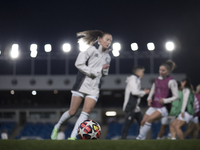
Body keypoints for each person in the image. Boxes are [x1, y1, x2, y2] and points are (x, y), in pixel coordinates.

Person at [51, 30, 112, 140]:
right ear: (99, 40)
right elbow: (78, 64)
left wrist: (104, 70)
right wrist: (97, 69)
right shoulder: (91, 50)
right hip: (82, 84)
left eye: (110, 41)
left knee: (86, 112)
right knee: (72, 112)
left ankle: (72, 138)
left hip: (94, 88)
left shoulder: (108, 57)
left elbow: (103, 75)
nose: (109, 42)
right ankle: (57, 126)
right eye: (107, 39)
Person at [136, 60, 179, 140]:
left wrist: (165, 100)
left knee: (149, 119)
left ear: (168, 71)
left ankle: (139, 138)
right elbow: (152, 91)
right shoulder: (156, 80)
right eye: (160, 70)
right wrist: (149, 99)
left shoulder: (171, 81)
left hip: (164, 107)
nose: (161, 72)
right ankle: (142, 139)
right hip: (154, 105)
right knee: (143, 122)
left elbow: (176, 96)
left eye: (163, 70)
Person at [121, 66, 150, 139]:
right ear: (138, 72)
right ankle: (122, 140)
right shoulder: (133, 80)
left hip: (135, 108)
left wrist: (142, 92)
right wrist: (144, 92)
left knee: (142, 122)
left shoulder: (137, 79)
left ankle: (140, 138)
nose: (143, 73)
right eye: (142, 72)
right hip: (130, 107)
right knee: (127, 124)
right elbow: (134, 92)